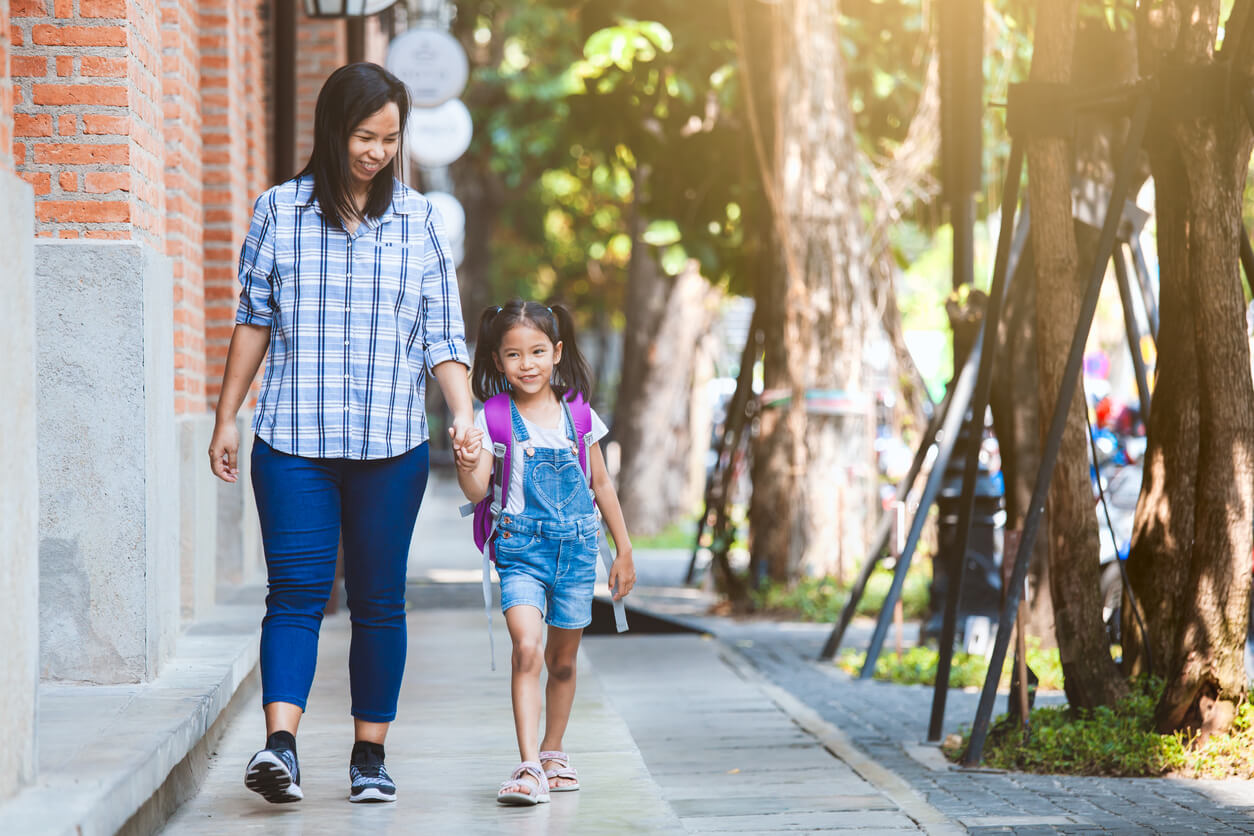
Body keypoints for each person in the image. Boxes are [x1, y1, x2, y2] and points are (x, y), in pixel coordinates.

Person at [207, 62, 475, 805]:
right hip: (293, 442)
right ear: (333, 130)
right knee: (294, 593)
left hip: (392, 446)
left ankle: (369, 756)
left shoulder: (417, 219)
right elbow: (253, 323)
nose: (378, 152)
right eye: (365, 135)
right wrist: (228, 415)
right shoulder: (278, 212)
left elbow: (442, 336)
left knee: (379, 600)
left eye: (390, 138)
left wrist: (462, 412)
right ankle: (281, 749)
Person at [452, 300, 636, 806]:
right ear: (496, 361)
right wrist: (467, 461)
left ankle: (555, 752)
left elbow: (600, 482)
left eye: (537, 351)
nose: (526, 364)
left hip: (577, 552)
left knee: (563, 663)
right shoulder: (493, 417)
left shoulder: (578, 411)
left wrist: (622, 550)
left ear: (556, 353)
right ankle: (529, 765)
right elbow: (476, 490)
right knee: (527, 649)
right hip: (520, 552)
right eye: (513, 355)